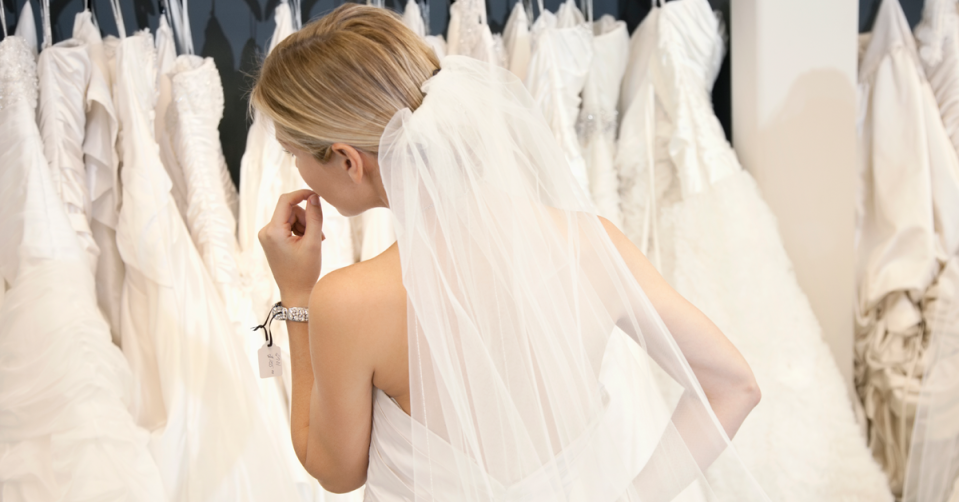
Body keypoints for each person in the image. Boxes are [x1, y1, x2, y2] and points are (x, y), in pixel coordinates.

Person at [252, 4, 767, 500]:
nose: (297, 169)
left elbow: (336, 473)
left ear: (346, 160)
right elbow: (734, 386)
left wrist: (296, 293)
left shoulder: (350, 300)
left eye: (294, 152)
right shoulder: (591, 244)